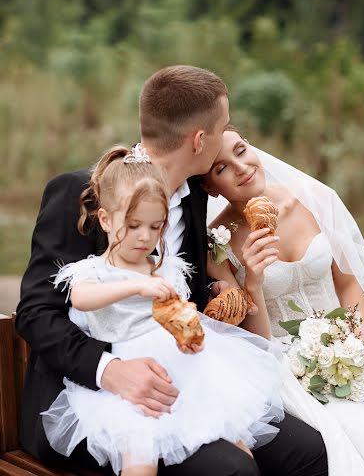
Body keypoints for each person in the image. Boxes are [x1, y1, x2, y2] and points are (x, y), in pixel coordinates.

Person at [17, 65, 328, 476]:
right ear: (201, 141)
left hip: (184, 378)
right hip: (91, 398)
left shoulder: (194, 197)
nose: (225, 136)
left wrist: (224, 294)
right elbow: (37, 312)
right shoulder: (85, 193)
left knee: (307, 451)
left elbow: (187, 293)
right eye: (223, 128)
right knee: (232, 470)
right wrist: (110, 371)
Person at [41, 144, 285, 476]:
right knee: (139, 455)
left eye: (155, 227)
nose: (145, 237)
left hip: (181, 372)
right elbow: (82, 299)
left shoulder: (164, 268)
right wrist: (135, 286)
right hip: (127, 377)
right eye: (134, 225)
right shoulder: (93, 272)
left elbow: (176, 314)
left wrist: (190, 336)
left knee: (235, 437)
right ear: (106, 220)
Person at [204, 126, 364, 475]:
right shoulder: (218, 243)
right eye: (221, 168)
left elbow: (349, 284)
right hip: (285, 364)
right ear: (209, 187)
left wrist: (357, 343)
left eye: (241, 149)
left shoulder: (314, 198)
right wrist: (254, 280)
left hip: (352, 339)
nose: (241, 166)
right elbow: (258, 341)